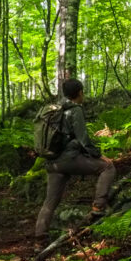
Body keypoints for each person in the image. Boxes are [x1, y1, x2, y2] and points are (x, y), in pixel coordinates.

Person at [34, 78, 116, 238]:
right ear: (79, 93)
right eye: (82, 92)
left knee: (49, 203)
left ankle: (39, 239)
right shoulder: (75, 110)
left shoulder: (56, 109)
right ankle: (98, 207)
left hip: (52, 162)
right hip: (68, 159)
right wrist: (99, 155)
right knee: (108, 168)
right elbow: (83, 139)